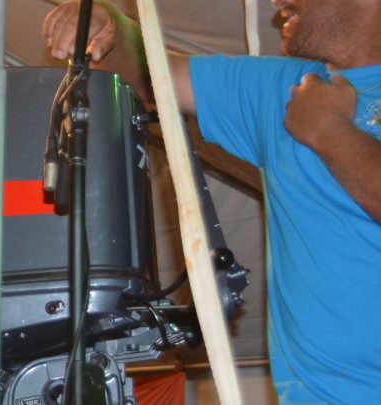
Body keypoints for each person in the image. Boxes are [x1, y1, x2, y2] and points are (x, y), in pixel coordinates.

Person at [43, 0, 381, 402]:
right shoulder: (288, 88)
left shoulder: (309, 104)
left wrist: (326, 129)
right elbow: (154, 76)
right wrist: (109, 27)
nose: (276, 2)